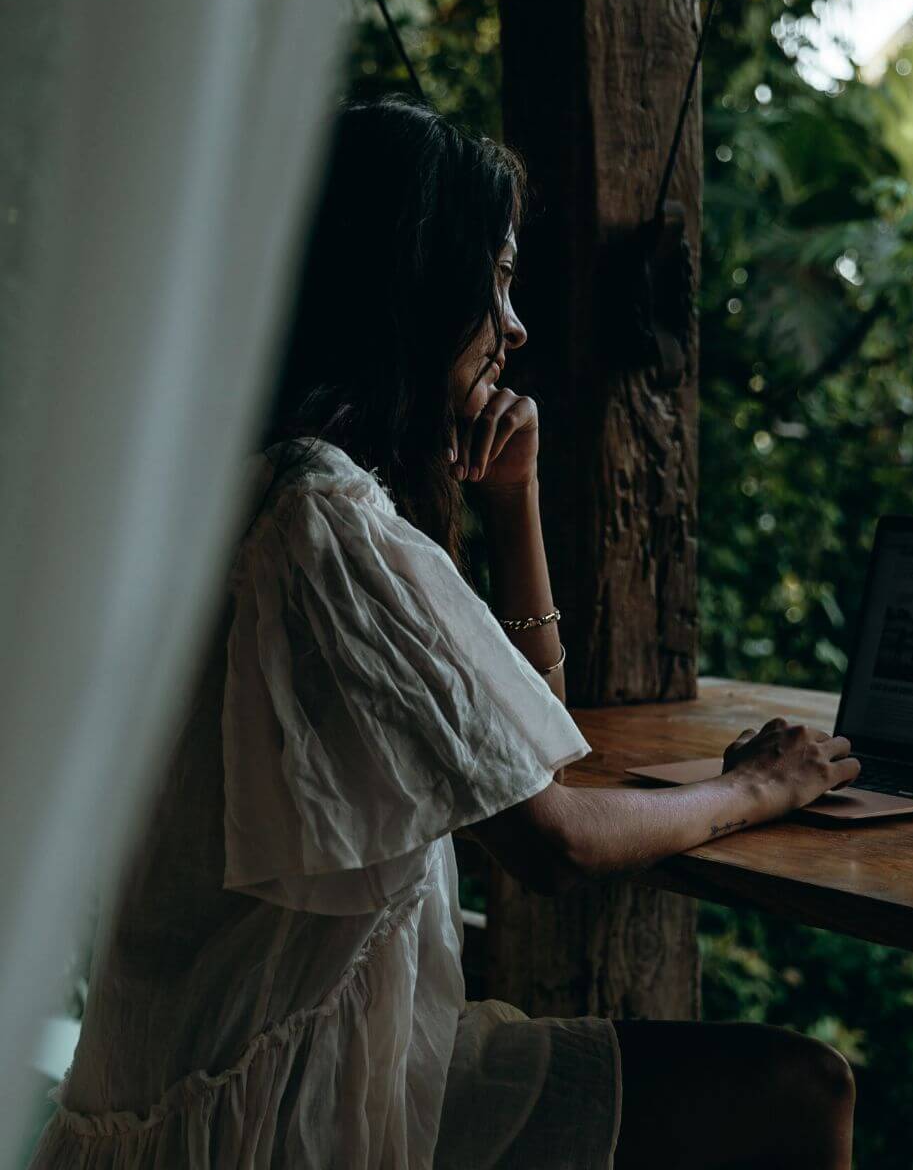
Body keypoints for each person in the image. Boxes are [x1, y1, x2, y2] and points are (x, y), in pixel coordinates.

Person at [28, 97, 860, 1170]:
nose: (514, 326)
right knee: (797, 1091)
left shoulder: (225, 492)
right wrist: (760, 787)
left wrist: (515, 504)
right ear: (414, 286)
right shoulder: (318, 520)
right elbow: (550, 840)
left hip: (225, 1082)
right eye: (499, 279)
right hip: (292, 1114)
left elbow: (528, 740)